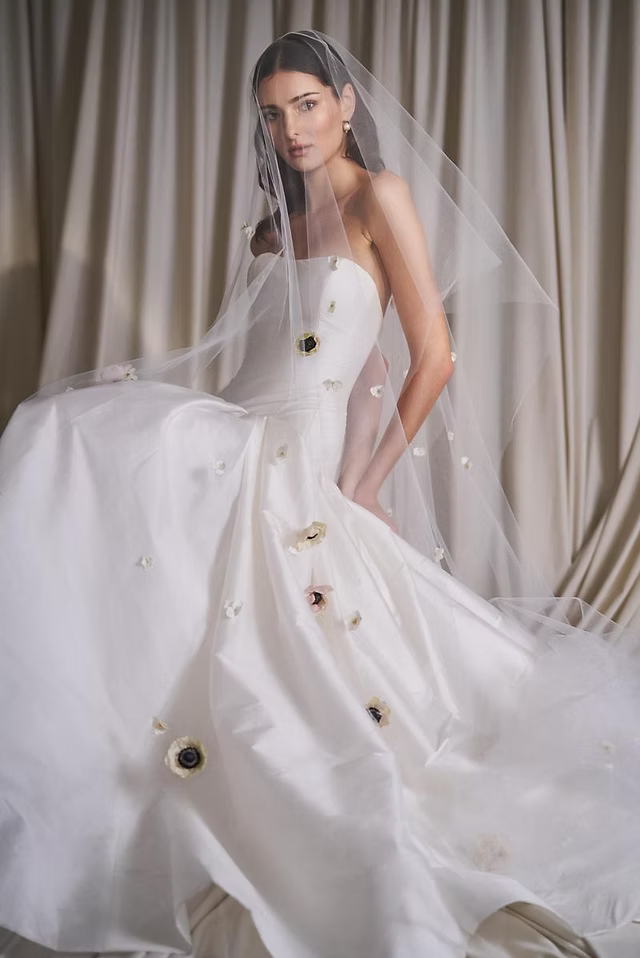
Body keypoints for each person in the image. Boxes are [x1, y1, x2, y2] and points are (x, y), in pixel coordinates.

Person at [0, 29, 639, 958]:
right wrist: (142, 379)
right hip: (240, 435)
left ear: (345, 103)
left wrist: (365, 482)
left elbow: (432, 356)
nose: (291, 128)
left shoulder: (382, 197)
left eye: (306, 104)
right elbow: (264, 365)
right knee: (57, 435)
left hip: (300, 461)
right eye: (273, 112)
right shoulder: (270, 231)